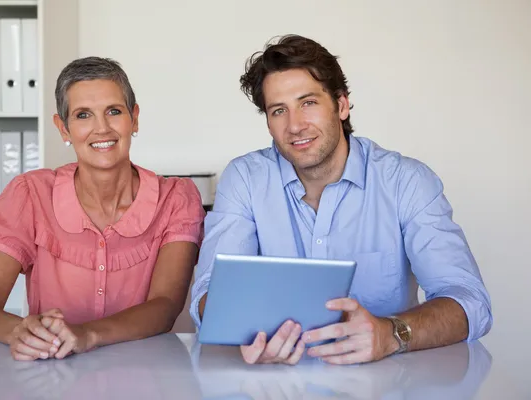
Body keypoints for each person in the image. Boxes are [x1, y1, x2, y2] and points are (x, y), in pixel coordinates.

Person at [190, 34, 492, 365]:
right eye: (279, 110)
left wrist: (391, 333)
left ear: (342, 105)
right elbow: (208, 295)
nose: (295, 125)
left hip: (385, 384)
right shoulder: (245, 179)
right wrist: (244, 332)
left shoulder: (406, 182)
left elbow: (469, 302)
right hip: (276, 386)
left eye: (308, 103)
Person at [0, 57, 205, 361]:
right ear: (63, 128)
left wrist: (87, 334)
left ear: (135, 118)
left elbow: (165, 305)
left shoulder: (177, 199)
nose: (101, 128)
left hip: (147, 373)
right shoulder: (30, 195)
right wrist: (19, 330)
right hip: (49, 375)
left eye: (114, 111)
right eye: (83, 115)